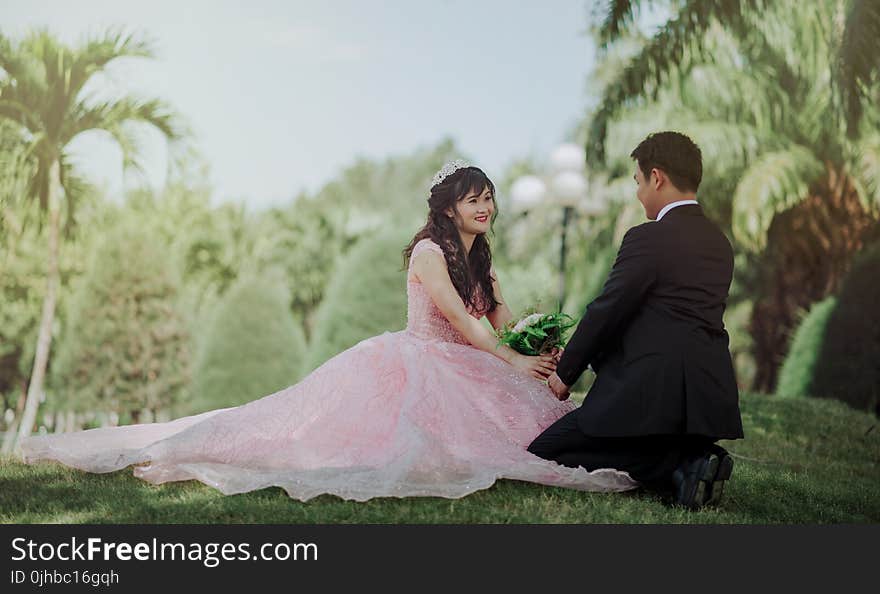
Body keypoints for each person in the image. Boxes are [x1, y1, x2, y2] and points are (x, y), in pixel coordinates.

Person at [20, 160, 637, 502]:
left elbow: (497, 320)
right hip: (423, 360)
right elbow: (462, 322)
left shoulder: (484, 260)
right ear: (448, 206)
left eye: (489, 200)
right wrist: (509, 358)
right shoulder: (428, 252)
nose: (484, 208)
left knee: (537, 422)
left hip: (473, 359)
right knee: (336, 439)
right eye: (473, 199)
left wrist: (530, 347)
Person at [528, 132, 744, 509]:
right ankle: (690, 459)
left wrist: (565, 374)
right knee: (641, 446)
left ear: (656, 177)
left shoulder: (650, 237)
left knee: (544, 451)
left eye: (639, 182)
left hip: (648, 396)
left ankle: (680, 464)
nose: (639, 193)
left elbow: (609, 309)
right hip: (704, 400)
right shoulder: (719, 243)